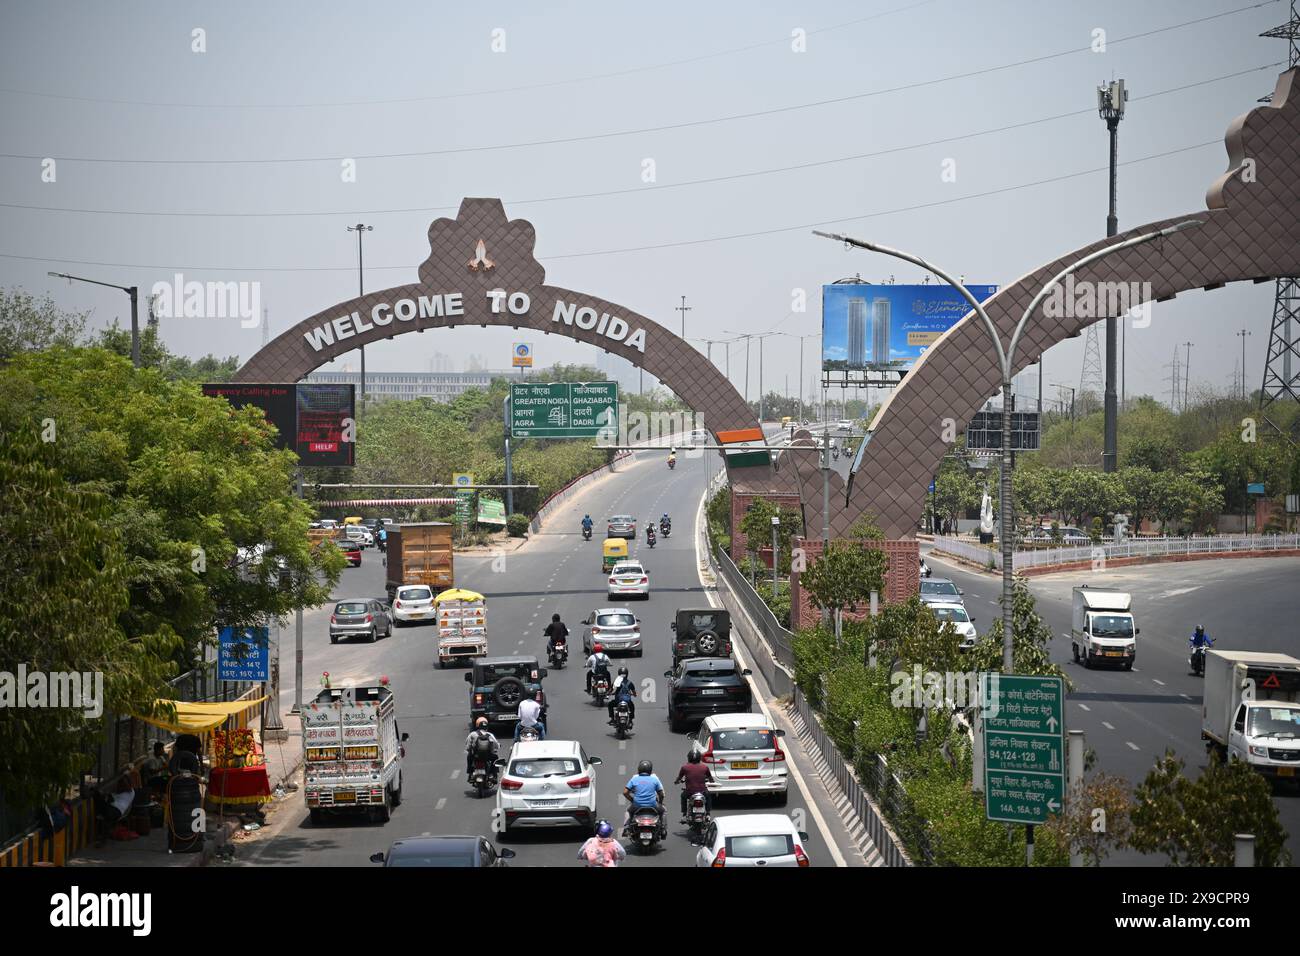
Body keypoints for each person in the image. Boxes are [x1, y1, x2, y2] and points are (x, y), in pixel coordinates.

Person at [622, 760, 666, 835]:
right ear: (650, 770)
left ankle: (626, 828)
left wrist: (632, 800)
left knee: (628, 811)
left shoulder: (634, 779)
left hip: (637, 805)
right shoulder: (655, 779)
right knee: (663, 811)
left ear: (639, 769)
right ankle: (662, 828)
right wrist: (660, 803)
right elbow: (661, 794)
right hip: (653, 805)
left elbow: (625, 792)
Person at [674, 749, 715, 818]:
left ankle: (684, 813)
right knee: (708, 796)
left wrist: (677, 781)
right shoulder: (705, 767)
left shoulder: (684, 767)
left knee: (683, 796)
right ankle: (708, 813)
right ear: (699, 758)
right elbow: (710, 778)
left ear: (689, 758)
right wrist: (711, 781)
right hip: (702, 792)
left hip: (690, 792)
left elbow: (679, 778)